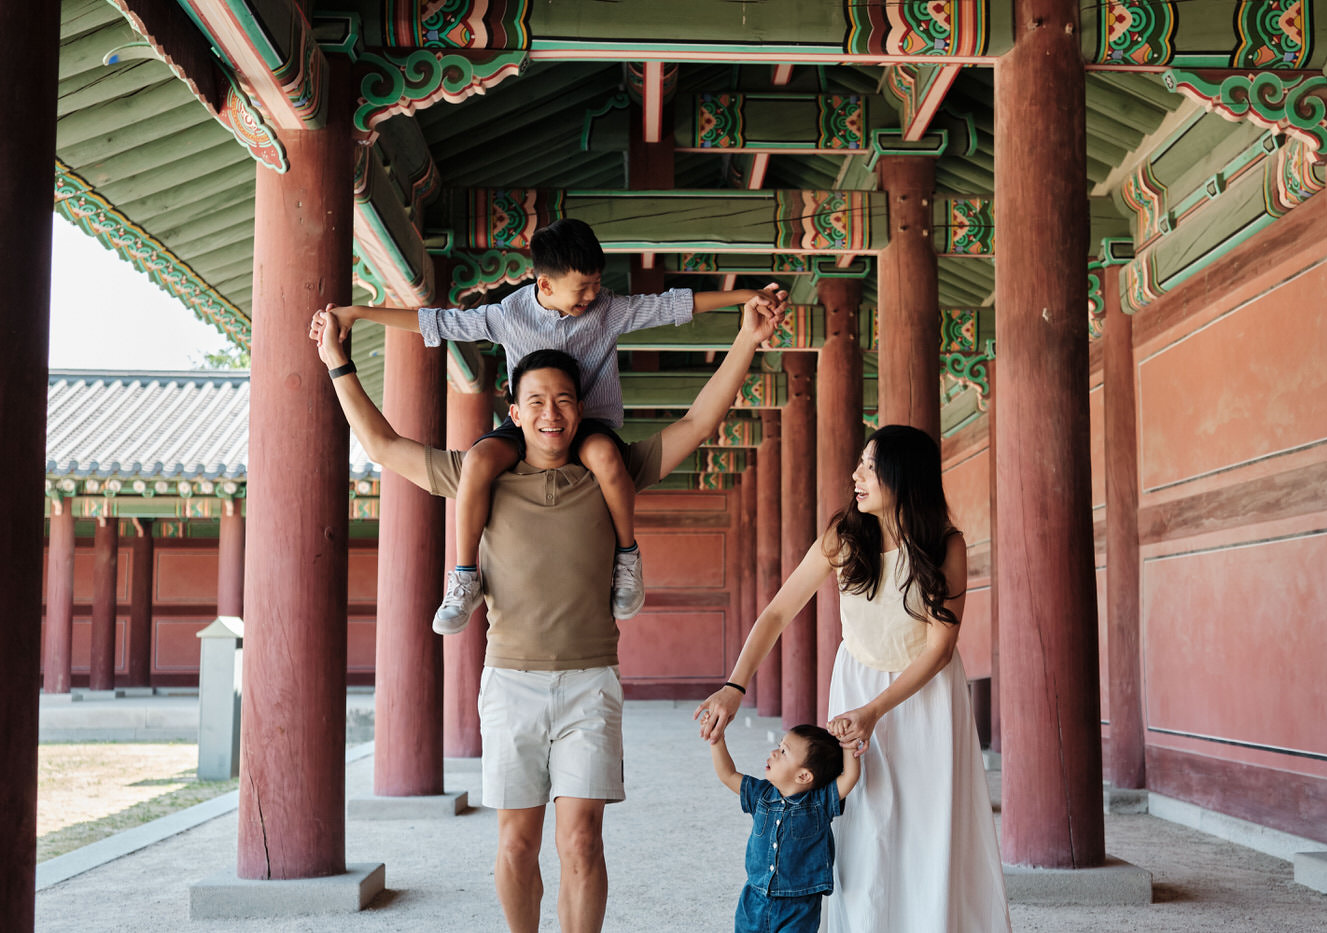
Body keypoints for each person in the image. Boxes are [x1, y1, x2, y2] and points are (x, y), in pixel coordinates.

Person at [312, 291, 783, 933]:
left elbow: (697, 422)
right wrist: (339, 362)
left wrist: (747, 340)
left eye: (563, 399)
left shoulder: (607, 469)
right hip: (510, 684)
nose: (551, 413)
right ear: (514, 410)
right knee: (515, 843)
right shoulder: (482, 477)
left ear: (581, 408)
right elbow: (382, 443)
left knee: (582, 842)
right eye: (535, 400)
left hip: (591, 683)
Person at [314, 217, 781, 635]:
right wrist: (359, 313)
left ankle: (627, 558)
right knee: (477, 459)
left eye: (597, 284)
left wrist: (744, 296)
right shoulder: (507, 316)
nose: (592, 296)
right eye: (582, 288)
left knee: (603, 456)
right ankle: (463, 576)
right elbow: (438, 323)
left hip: (592, 423)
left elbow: (671, 306)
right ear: (545, 283)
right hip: (528, 429)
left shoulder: (609, 309)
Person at [693, 425, 1011, 932]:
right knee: (861, 825)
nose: (856, 475)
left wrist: (875, 712)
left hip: (923, 697)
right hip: (856, 687)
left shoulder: (945, 545)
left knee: (928, 829)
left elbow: (939, 648)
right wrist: (735, 686)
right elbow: (777, 613)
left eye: (870, 465)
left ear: (903, 476)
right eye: (860, 463)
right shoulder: (843, 535)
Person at [707, 723, 860, 933]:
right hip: (754, 898)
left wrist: (850, 744)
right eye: (779, 746)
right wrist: (717, 739)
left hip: (799, 907)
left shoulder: (819, 803)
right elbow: (728, 774)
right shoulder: (761, 795)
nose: (773, 752)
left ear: (804, 776)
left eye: (783, 752)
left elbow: (849, 777)